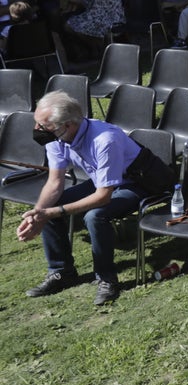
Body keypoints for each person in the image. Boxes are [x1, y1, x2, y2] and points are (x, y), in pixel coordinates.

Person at [16, 91, 157, 305]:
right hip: (103, 180)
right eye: (36, 124)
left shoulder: (104, 140)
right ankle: (61, 271)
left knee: (95, 216)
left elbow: (102, 197)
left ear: (68, 125)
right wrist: (36, 215)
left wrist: (53, 212)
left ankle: (107, 279)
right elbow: (55, 182)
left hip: (135, 183)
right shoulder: (56, 137)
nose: (37, 130)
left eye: (43, 126)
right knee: (49, 204)